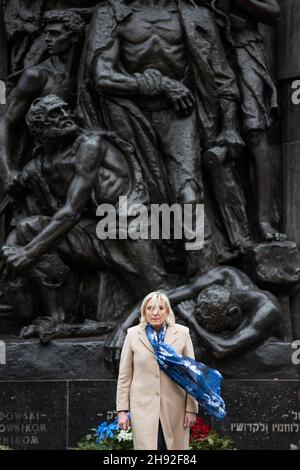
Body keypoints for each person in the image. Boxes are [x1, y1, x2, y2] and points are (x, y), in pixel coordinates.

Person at [0, 95, 173, 340]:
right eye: (55, 114)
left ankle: (117, 324)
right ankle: (59, 317)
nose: (65, 116)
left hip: (127, 228)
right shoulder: (39, 167)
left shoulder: (90, 145)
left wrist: (28, 253)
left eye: (64, 110)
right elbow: (30, 218)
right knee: (27, 229)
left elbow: (71, 210)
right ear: (39, 128)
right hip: (93, 232)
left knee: (158, 294)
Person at [116, 291, 225, 450]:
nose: (155, 313)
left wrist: (191, 409)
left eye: (160, 308)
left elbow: (191, 374)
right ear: (144, 312)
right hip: (143, 409)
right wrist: (122, 411)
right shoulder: (133, 335)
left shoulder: (182, 333)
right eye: (150, 308)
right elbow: (124, 377)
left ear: (167, 311)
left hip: (176, 409)